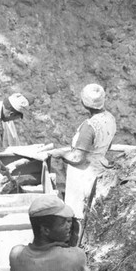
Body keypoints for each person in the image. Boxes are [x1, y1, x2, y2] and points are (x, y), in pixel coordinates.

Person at [54, 83, 116, 219]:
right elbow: (108, 146)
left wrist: (61, 154)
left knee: (78, 211)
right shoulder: (110, 118)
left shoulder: (89, 126)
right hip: (100, 169)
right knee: (93, 212)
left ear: (84, 102)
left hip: (84, 174)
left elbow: (78, 158)